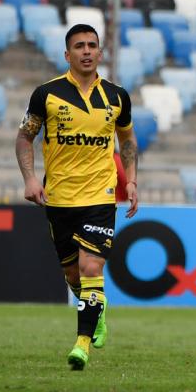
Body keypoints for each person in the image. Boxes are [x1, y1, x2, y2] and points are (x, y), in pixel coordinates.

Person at [15, 23, 138, 370]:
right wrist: (29, 178)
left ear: (100, 53)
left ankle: (81, 344)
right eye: (79, 46)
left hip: (99, 195)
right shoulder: (47, 94)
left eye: (92, 45)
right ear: (67, 55)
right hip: (59, 197)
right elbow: (25, 138)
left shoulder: (117, 97)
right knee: (73, 277)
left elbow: (127, 141)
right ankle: (96, 309)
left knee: (90, 267)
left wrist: (130, 181)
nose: (87, 51)